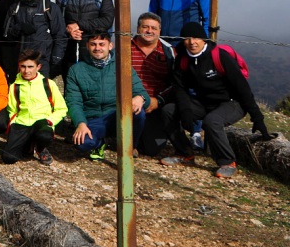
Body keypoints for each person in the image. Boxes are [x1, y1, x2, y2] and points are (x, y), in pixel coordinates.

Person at [160, 22, 269, 178]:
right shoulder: (182, 59)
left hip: (232, 102)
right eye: (187, 38)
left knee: (212, 121)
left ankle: (227, 162)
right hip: (204, 102)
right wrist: (185, 111)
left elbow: (242, 88)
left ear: (204, 39)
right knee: (169, 111)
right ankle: (184, 154)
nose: (192, 42)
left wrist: (257, 117)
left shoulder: (220, 57)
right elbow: (180, 88)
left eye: (196, 37)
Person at [64, 31, 149, 161]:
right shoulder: (76, 70)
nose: (97, 48)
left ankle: (131, 145)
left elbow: (142, 93)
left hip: (117, 115)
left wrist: (140, 98)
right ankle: (100, 142)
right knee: (82, 143)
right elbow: (73, 101)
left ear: (110, 46)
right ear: (87, 46)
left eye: (101, 44)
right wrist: (80, 123)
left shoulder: (123, 66)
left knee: (139, 113)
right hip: (93, 118)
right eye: (93, 44)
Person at [1, 49, 67, 166]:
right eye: (23, 67)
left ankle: (41, 148)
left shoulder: (48, 84)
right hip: (22, 123)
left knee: (44, 136)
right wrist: (13, 127)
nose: (26, 71)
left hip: (42, 121)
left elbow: (61, 108)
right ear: (19, 67)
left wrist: (50, 121)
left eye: (30, 67)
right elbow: (12, 110)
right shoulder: (14, 87)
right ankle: (29, 145)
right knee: (8, 158)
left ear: (38, 67)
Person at [4, 0, 67, 78]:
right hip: (20, 63)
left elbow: (60, 36)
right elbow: (6, 34)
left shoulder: (50, 7)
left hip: (43, 62)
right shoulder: (15, 8)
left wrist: (56, 59)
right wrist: (19, 28)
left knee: (41, 93)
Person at [132, 12, 177, 156]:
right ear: (138, 28)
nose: (149, 31)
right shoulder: (124, 48)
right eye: (145, 27)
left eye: (154, 28)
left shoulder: (169, 51)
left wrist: (158, 100)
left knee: (152, 149)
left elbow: (176, 83)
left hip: (156, 105)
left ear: (160, 31)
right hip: (130, 103)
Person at [58, 0, 115, 73]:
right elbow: (58, 20)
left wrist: (79, 25)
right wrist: (68, 30)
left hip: (95, 51)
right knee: (71, 86)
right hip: (70, 51)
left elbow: (107, 21)